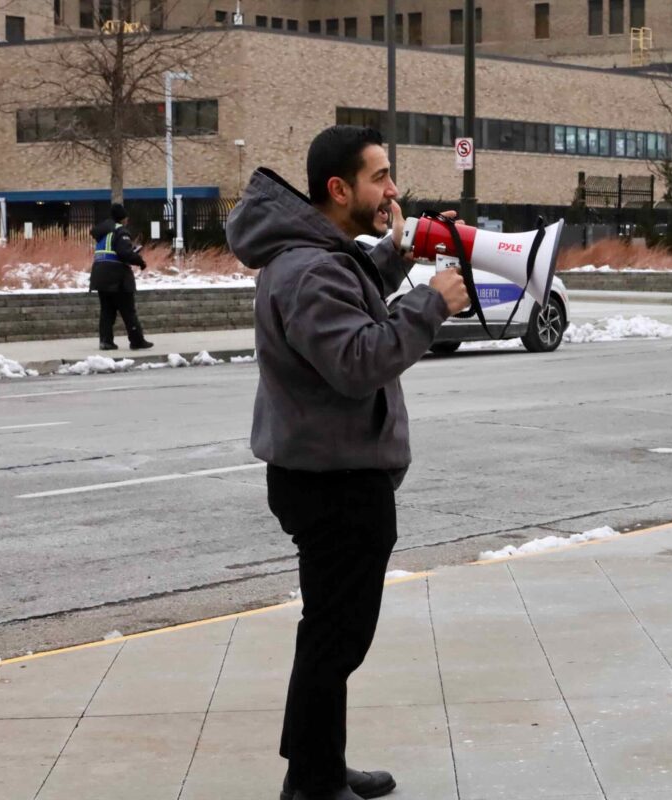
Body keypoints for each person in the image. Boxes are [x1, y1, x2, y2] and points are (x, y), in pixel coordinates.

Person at [226, 125, 469, 800]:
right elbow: (358, 360)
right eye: (380, 177)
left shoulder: (317, 254)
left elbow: (350, 294)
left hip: (331, 470)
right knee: (337, 637)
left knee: (332, 632)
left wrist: (394, 257)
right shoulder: (306, 269)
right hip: (332, 481)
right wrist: (430, 304)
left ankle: (319, 764)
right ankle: (310, 780)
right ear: (339, 190)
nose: (393, 190)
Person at [89, 202, 152, 351]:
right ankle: (137, 341)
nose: (127, 220)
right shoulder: (120, 231)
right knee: (128, 310)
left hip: (100, 275)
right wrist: (139, 261)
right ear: (122, 218)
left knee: (107, 311)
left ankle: (105, 341)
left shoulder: (103, 233)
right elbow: (124, 253)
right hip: (117, 276)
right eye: (126, 217)